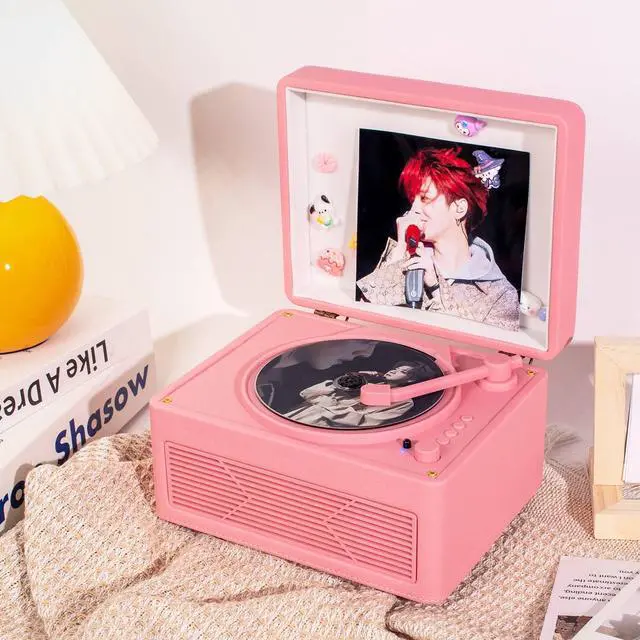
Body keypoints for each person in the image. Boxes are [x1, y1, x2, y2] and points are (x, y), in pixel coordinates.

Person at [356, 147, 520, 331]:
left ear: (459, 208)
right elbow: (365, 327)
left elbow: (475, 347)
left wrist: (436, 288)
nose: (414, 209)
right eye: (413, 200)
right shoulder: (406, 261)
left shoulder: (500, 295)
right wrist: (399, 250)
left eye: (424, 198)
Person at [283, 359, 436, 429]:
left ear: (411, 380)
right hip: (300, 414)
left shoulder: (404, 401)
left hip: (318, 426)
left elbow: (361, 421)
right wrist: (351, 377)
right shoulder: (367, 382)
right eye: (396, 368)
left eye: (402, 372)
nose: (393, 371)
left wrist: (326, 403)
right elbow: (308, 393)